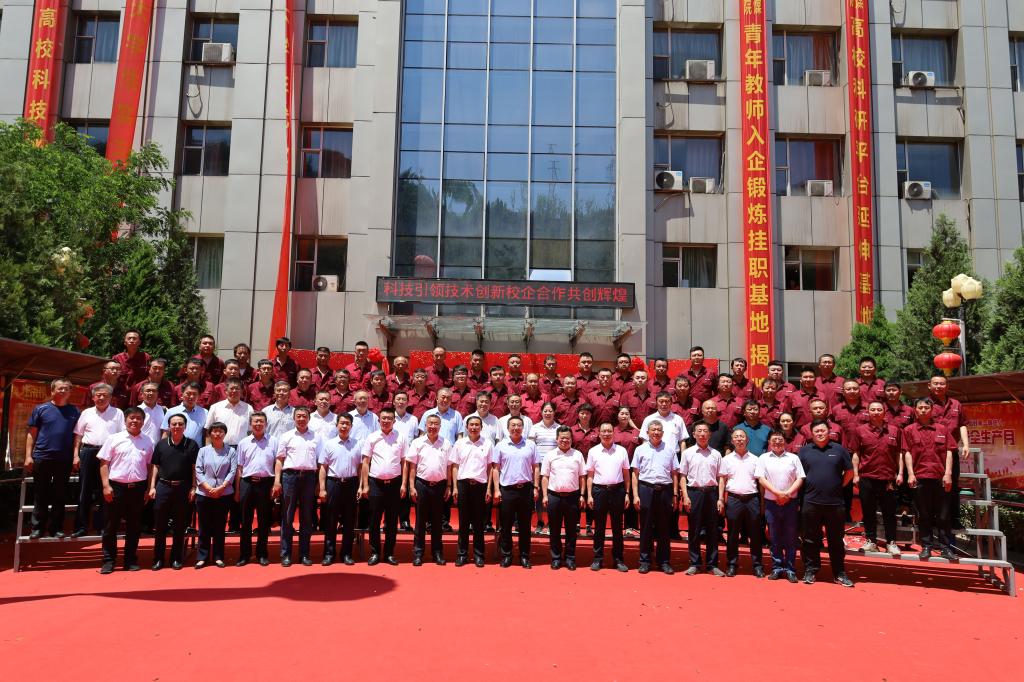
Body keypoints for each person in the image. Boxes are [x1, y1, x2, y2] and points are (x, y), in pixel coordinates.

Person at [798, 420, 855, 587]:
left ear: (829, 431)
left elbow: (849, 472)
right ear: (811, 433)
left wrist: (839, 485)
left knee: (836, 540)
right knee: (810, 539)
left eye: (823, 430)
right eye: (816, 431)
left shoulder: (839, 449)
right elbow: (798, 474)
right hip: (810, 502)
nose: (820, 433)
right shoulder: (804, 451)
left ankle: (839, 573)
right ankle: (810, 570)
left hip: (835, 503)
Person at [97, 407, 154, 573]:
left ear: (143, 421)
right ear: (125, 420)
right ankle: (109, 561)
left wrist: (148, 488)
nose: (135, 421)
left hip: (138, 489)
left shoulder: (148, 441)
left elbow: (150, 466)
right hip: (116, 488)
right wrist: (106, 486)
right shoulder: (114, 438)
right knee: (111, 526)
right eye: (131, 418)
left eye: (138, 418)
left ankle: (130, 560)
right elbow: (104, 463)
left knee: (134, 527)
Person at [25, 378, 81, 539]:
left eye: (66, 389)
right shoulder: (40, 409)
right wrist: (28, 456)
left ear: (70, 392)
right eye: (60, 388)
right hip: (42, 457)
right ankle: (37, 528)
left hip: (64, 459)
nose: (63, 391)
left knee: (60, 494)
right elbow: (31, 434)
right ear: (52, 391)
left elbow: (77, 436)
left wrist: (75, 456)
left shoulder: (75, 412)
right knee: (40, 493)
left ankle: (56, 528)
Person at [903, 398, 956, 562]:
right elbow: (907, 452)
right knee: (924, 515)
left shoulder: (942, 429)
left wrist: (948, 473)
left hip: (940, 478)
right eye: (920, 407)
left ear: (932, 410)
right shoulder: (909, 430)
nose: (923, 410)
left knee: (943, 515)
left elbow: (949, 451)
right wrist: (910, 474)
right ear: (915, 410)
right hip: (920, 477)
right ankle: (926, 546)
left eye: (926, 407)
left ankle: (946, 547)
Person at [72, 383, 125, 538]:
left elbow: (122, 436)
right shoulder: (86, 413)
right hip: (88, 451)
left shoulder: (118, 413)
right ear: (93, 397)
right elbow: (78, 435)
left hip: (109, 454)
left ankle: (103, 526)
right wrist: (76, 455)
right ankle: (81, 526)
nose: (101, 398)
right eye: (98, 395)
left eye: (105, 395)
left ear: (111, 397)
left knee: (106, 491)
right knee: (84, 491)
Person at [851, 401, 903, 556]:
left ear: (884, 412)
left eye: (879, 409)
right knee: (868, 511)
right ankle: (871, 541)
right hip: (867, 477)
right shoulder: (860, 430)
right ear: (868, 412)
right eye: (872, 410)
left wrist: (900, 473)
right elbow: (856, 454)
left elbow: (899, 453)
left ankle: (891, 542)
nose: (876, 412)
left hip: (888, 478)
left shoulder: (894, 430)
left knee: (889, 512)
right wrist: (855, 474)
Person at [148, 413, 199, 570]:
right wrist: (152, 486)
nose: (177, 427)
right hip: (163, 487)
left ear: (185, 426)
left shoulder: (192, 445)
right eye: (174, 424)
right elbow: (155, 466)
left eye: (180, 424)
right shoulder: (161, 444)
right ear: (169, 426)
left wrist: (194, 487)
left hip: (183, 488)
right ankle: (158, 559)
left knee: (180, 525)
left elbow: (194, 468)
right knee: (160, 525)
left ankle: (176, 558)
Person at [274, 405, 322, 566]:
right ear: (294, 418)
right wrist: (277, 481)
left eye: (304, 416)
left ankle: (304, 554)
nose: (301, 419)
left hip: (309, 478)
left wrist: (319, 483)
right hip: (290, 477)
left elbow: (320, 462)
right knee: (287, 517)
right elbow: (279, 460)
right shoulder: (286, 436)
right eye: (298, 416)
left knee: (307, 518)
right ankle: (286, 554)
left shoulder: (316, 437)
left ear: (309, 418)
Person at [360, 406, 407, 566]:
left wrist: (404, 484)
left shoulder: (401, 437)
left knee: (392, 521)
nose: (386, 421)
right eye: (383, 418)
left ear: (394, 421)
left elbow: (404, 462)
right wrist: (365, 485)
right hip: (376, 484)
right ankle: (375, 552)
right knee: (374, 520)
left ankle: (389, 553)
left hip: (394, 484)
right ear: (379, 420)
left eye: (389, 419)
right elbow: (365, 462)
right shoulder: (372, 437)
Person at [756, 431, 805, 582]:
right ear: (769, 442)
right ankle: (777, 567)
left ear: (785, 441)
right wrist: (778, 493)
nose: (777, 442)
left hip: (790, 503)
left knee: (790, 537)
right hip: (772, 503)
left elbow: (800, 478)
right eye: (774, 440)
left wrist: (787, 494)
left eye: (780, 439)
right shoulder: (763, 458)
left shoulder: (793, 458)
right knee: (774, 537)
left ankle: (790, 569)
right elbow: (761, 479)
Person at [631, 420, 679, 574]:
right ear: (647, 433)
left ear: (663, 433)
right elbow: (635, 473)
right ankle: (644, 561)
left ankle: (664, 561)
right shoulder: (640, 449)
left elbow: (675, 473)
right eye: (653, 430)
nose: (656, 432)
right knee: (645, 527)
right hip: (646, 489)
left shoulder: (670, 450)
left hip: (665, 490)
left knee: (664, 527)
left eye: (659, 430)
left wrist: (675, 494)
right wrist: (635, 495)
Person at [404, 414, 451, 566]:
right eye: (430, 423)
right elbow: (412, 466)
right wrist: (411, 486)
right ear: (425, 425)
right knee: (420, 521)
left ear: (440, 426)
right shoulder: (418, 442)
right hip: (422, 485)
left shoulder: (446, 443)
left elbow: (449, 467)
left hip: (440, 486)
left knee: (437, 521)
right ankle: (418, 553)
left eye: (436, 424)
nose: (433, 426)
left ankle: (437, 553)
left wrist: (449, 486)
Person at [493, 416, 540, 569]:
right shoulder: (501, 445)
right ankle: (506, 555)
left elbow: (536, 467)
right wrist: (496, 489)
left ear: (523, 428)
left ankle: (524, 556)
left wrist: (536, 487)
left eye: (519, 425)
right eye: (513, 425)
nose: (516, 428)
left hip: (525, 489)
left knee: (525, 526)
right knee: (506, 525)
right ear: (508, 428)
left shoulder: (530, 445)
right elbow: (495, 469)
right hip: (507, 490)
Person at [318, 413, 363, 566]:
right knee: (330, 520)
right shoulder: (329, 444)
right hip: (333, 484)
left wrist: (361, 486)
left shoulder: (358, 444)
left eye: (347, 424)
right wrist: (322, 488)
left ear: (351, 426)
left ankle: (347, 554)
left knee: (349, 521)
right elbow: (323, 467)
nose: (344, 426)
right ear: (336, 425)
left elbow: (361, 467)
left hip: (351, 484)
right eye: (342, 423)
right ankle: (329, 554)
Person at [450, 415, 496, 567]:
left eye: (477, 425)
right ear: (466, 427)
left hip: (480, 486)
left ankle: (479, 555)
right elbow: (455, 466)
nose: (474, 427)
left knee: (478, 523)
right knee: (463, 522)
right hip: (463, 485)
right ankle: (462, 554)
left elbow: (490, 468)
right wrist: (455, 487)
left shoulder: (488, 444)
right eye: (471, 425)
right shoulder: (460, 443)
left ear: (481, 427)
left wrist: (489, 488)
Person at [680, 423, 724, 576]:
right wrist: (685, 496)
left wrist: (720, 498)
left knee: (713, 530)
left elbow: (720, 478)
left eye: (705, 431)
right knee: (694, 529)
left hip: (712, 493)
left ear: (710, 435)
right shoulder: (687, 453)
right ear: (694, 434)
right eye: (699, 431)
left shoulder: (716, 454)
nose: (702, 434)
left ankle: (712, 564)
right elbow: (683, 476)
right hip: (694, 493)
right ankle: (695, 563)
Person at [718, 429, 764, 577]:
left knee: (755, 534)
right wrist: (720, 499)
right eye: (736, 437)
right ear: (732, 441)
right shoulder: (726, 459)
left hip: (752, 499)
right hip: (734, 499)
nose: (739, 439)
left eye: (742, 437)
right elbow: (722, 480)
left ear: (747, 440)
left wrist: (762, 502)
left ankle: (757, 565)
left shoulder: (756, 459)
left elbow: (761, 483)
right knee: (732, 534)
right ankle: (732, 564)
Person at [235, 412, 278, 566]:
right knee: (245, 521)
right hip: (247, 483)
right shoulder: (243, 442)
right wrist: (238, 490)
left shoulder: (274, 441)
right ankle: (244, 555)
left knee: (264, 521)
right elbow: (239, 467)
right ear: (250, 424)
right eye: (255, 421)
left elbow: (277, 464)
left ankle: (262, 554)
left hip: (266, 483)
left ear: (266, 424)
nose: (258, 424)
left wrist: (276, 483)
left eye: (261, 421)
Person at [586, 422, 630, 572]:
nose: (606, 434)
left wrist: (627, 493)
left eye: (609, 431)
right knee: (599, 527)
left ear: (613, 433)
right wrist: (589, 495)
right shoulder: (593, 451)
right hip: (599, 491)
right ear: (599, 434)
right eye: (603, 431)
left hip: (618, 490)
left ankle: (618, 559)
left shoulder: (621, 451)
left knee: (618, 527)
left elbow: (626, 474)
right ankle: (597, 559)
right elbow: (590, 475)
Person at [541, 426, 586, 570]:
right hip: (554, 496)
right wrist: (545, 495)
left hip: (573, 497)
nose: (565, 440)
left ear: (572, 439)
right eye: (562, 438)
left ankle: (570, 558)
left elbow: (582, 477)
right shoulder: (550, 455)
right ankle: (556, 557)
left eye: (567, 438)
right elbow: (545, 477)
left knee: (571, 530)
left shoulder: (578, 455)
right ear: (557, 439)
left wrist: (582, 495)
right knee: (554, 529)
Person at [194, 422, 237, 568]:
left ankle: (218, 556)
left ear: (225, 434)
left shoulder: (231, 451)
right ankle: (202, 556)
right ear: (210, 434)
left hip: (224, 493)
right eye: (214, 431)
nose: (217, 434)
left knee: (220, 526)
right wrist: (207, 487)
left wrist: (222, 487)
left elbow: (233, 471)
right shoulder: (203, 451)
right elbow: (198, 470)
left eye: (220, 431)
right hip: (204, 493)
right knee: (204, 526)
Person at [529, 401, 561, 535]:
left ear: (554, 412)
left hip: (555, 466)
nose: (548, 413)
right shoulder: (535, 427)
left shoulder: (559, 428)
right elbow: (531, 447)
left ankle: (550, 522)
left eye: (550, 411)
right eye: (545, 411)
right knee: (539, 494)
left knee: (551, 495)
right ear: (541, 412)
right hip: (539, 465)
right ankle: (540, 521)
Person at [614, 405, 641, 535]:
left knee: (632, 495)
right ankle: (619, 526)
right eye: (622, 413)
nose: (624, 416)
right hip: (617, 469)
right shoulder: (612, 431)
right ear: (617, 416)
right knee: (619, 496)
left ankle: (632, 525)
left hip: (632, 469)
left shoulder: (637, 432)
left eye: (627, 414)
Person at [205, 379, 252, 447]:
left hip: (242, 448)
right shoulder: (215, 407)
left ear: (242, 391)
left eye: (237, 388)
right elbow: (208, 431)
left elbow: (250, 431)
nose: (234, 391)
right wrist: (208, 448)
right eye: (231, 388)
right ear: (226, 391)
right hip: (220, 448)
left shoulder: (248, 408)